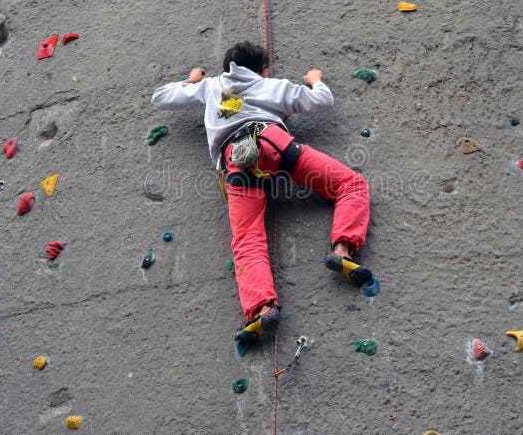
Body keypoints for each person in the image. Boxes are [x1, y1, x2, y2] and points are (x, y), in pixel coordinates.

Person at [151, 42, 372, 347]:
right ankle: (343, 251)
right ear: (263, 69)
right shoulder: (272, 86)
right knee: (351, 185)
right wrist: (315, 79)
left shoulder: (211, 87)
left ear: (227, 67)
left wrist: (193, 80)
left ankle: (262, 309)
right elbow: (323, 101)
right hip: (274, 143)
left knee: (247, 237)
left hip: (237, 162)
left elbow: (160, 97)